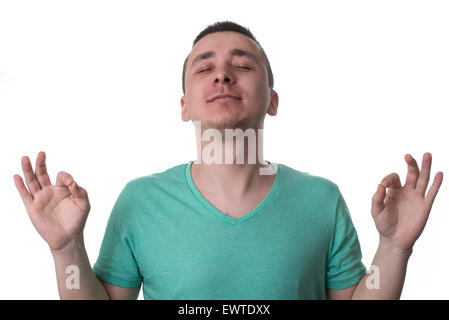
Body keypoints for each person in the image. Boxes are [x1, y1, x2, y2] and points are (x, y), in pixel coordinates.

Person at [14, 21, 443, 300]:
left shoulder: (322, 200)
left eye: (242, 65)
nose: (223, 75)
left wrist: (394, 247)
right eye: (205, 68)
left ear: (272, 101)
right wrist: (66, 248)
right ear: (185, 107)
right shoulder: (140, 202)